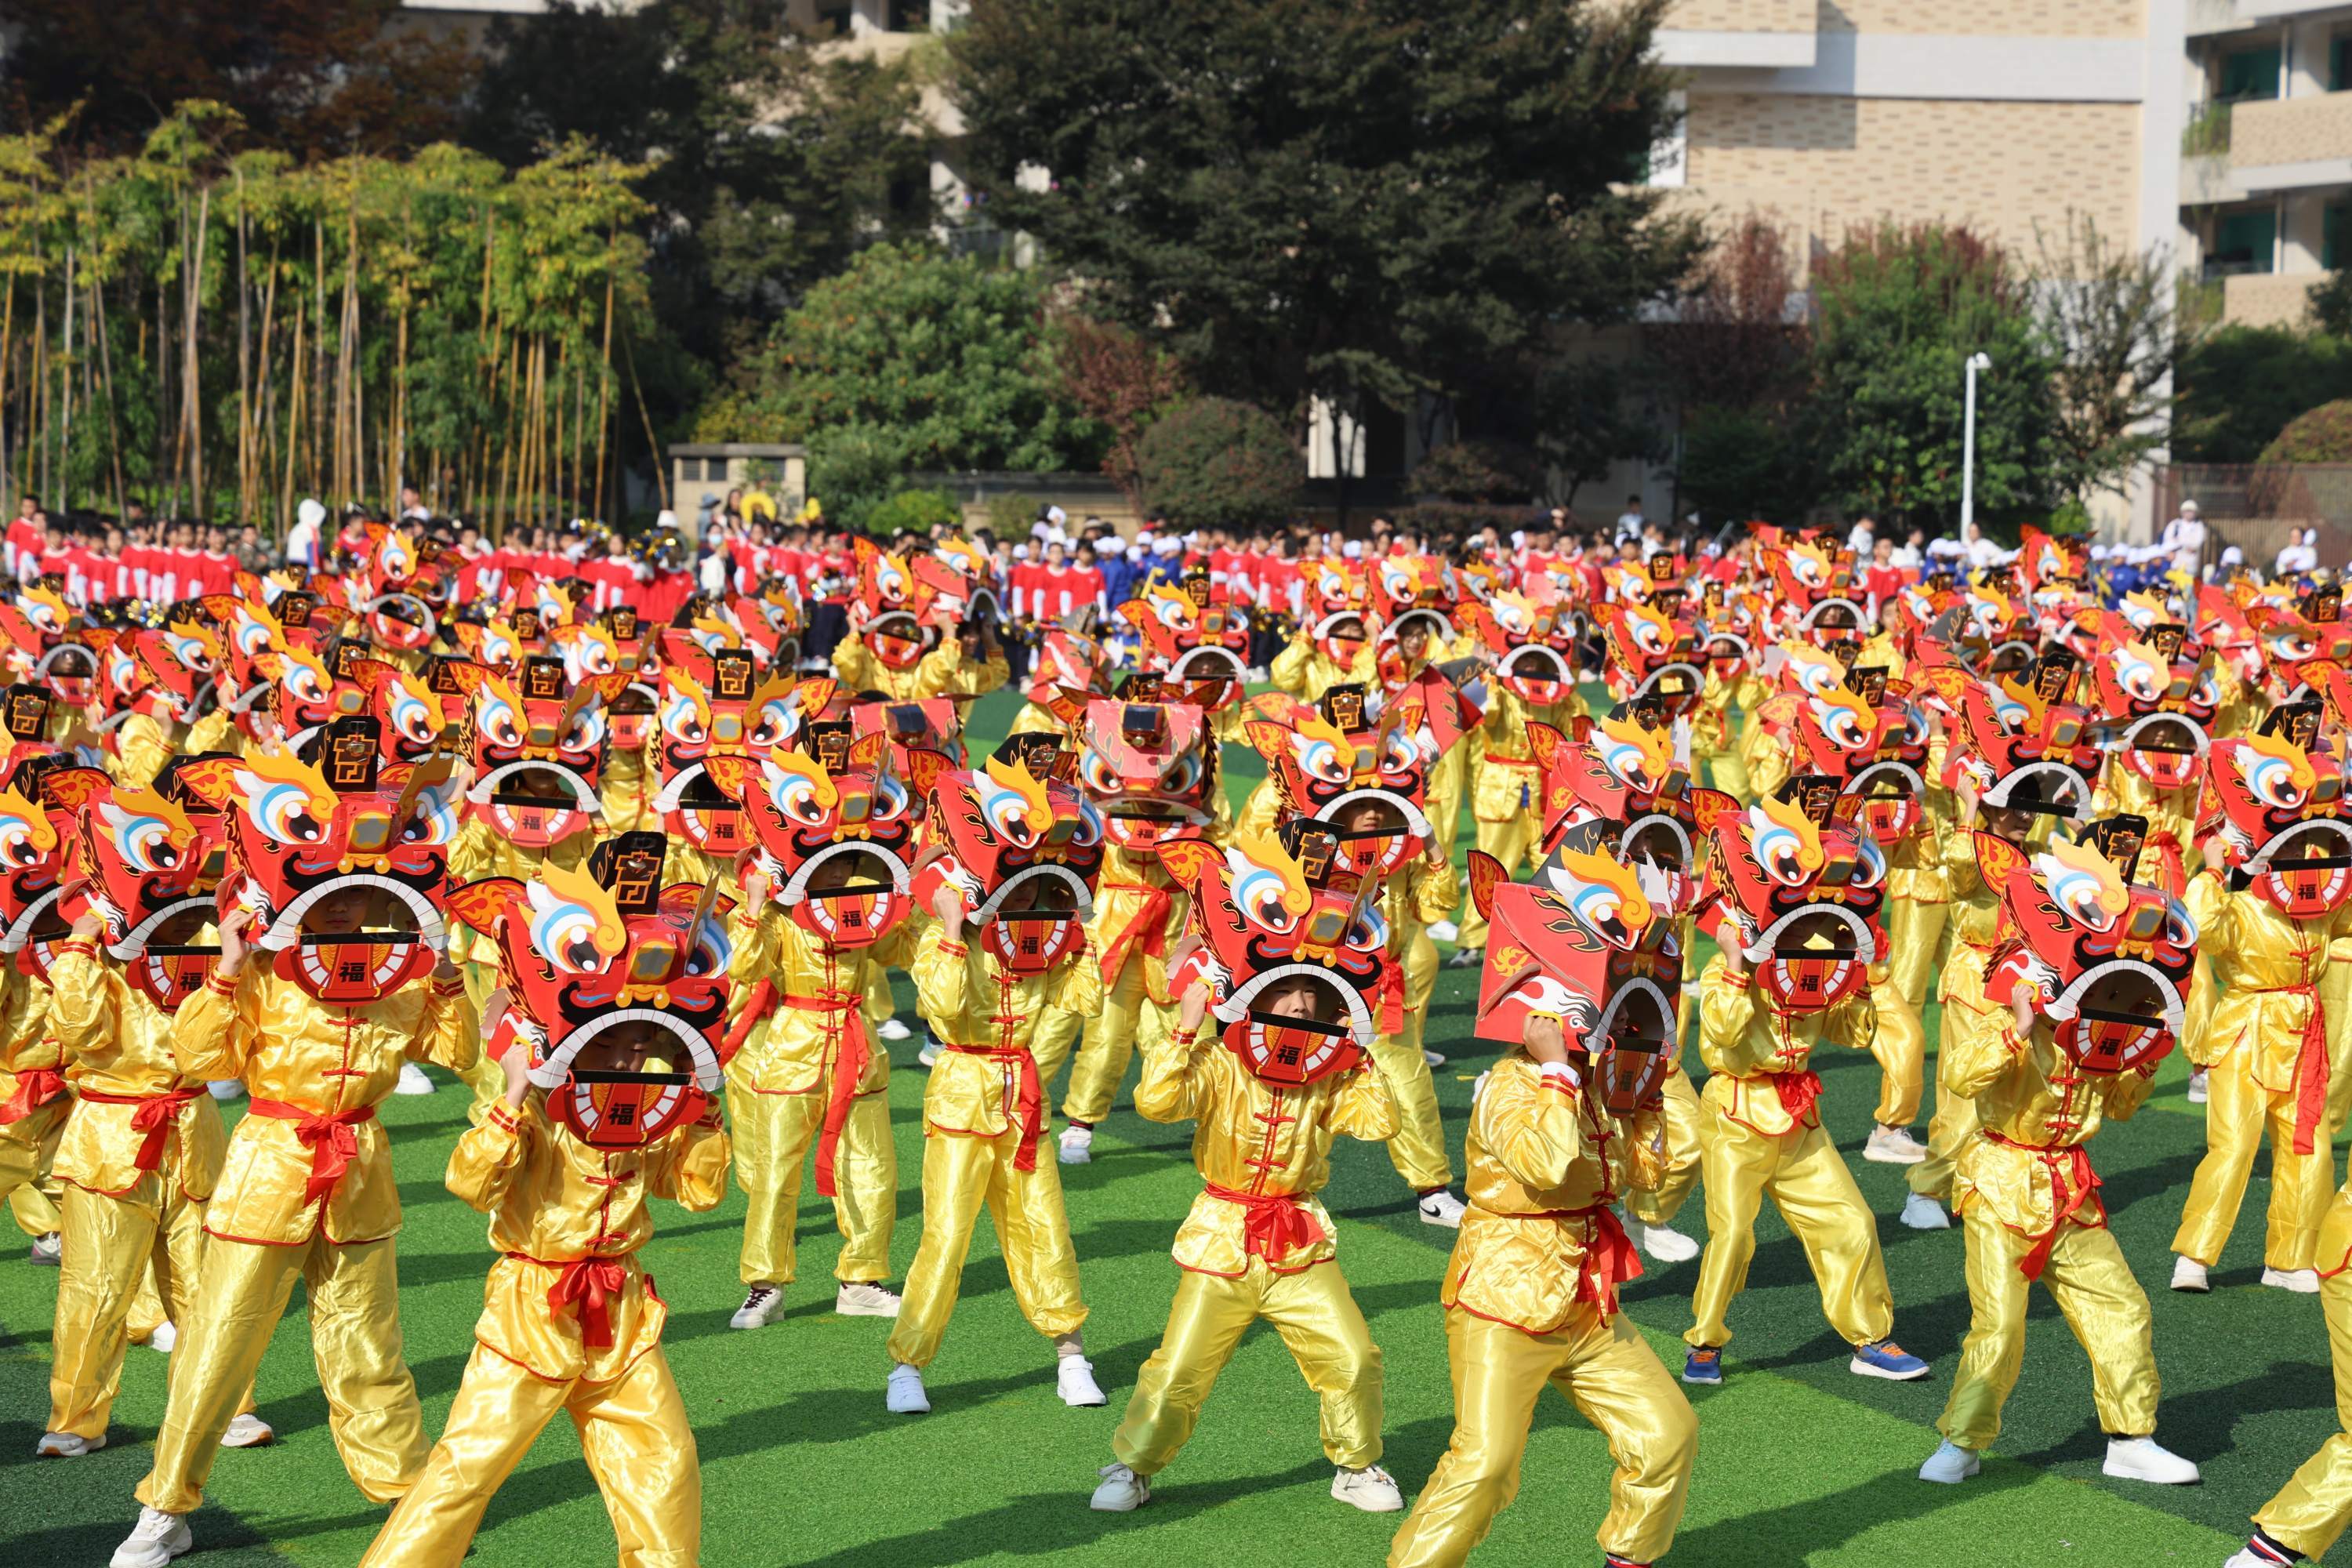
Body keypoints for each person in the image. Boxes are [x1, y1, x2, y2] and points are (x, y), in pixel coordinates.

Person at [1089, 954, 1403, 1515]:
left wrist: (1360, 1052)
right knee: (1180, 1367)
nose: (1302, 1003)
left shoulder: (1329, 1068)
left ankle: (1356, 1466)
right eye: (1288, 989)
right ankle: (1134, 1466)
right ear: (1256, 996)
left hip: (1298, 1240)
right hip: (1222, 1238)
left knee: (1354, 1357)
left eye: (1314, 991)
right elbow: (1156, 1104)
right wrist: (1185, 1027)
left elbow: (1378, 1123)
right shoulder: (1218, 1059)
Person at [1387, 1012, 1697, 1568]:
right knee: (1485, 1466)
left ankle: (1629, 1558)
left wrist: (1646, 1099)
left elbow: (1647, 1175)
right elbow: (1544, 1165)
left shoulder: (1600, 1077)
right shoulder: (1512, 1080)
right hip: (1503, 1299)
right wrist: (1556, 1067)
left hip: (1586, 1301)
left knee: (1667, 1434)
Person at [884, 756, 1108, 1414]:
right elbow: (942, 1008)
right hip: (960, 1091)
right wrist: (953, 929)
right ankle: (907, 1365)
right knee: (946, 1235)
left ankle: (1070, 1354)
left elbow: (1087, 1000)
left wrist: (1078, 937)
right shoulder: (942, 935)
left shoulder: (1042, 935)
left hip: (1022, 1095)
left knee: (1045, 1227)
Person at [2162, 499, 2208, 579]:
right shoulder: (2175, 524)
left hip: (2190, 565)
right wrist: (2182, 545)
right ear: (2182, 512)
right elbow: (2168, 541)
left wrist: (2180, 542)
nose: (2189, 513)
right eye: (2187, 511)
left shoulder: (2199, 526)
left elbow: (2197, 543)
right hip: (2175, 564)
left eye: (2191, 511)